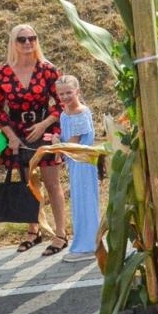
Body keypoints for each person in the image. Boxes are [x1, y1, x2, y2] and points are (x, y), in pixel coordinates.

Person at [0, 24, 68, 254]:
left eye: (32, 38)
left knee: (52, 184)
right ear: (13, 42)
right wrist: (11, 136)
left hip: (44, 129)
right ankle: (34, 230)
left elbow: (62, 102)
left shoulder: (48, 70)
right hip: (18, 133)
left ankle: (61, 233)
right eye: (22, 39)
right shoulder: (2, 73)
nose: (28, 43)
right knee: (29, 184)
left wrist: (44, 124)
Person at [55, 74, 99, 263]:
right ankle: (86, 243)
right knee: (79, 203)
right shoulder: (65, 113)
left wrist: (57, 145)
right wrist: (58, 143)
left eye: (69, 93)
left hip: (83, 163)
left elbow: (72, 144)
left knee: (85, 203)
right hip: (75, 163)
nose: (65, 97)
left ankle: (88, 246)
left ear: (77, 92)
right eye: (61, 94)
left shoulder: (80, 113)